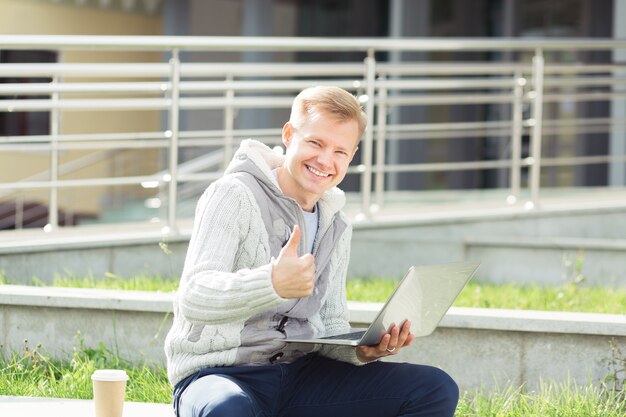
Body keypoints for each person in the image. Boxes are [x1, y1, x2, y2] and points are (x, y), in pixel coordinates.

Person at [164, 86, 459, 417]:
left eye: (339, 151)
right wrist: (271, 283)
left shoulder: (336, 223)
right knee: (228, 410)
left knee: (434, 388)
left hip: (302, 377)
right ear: (289, 135)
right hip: (222, 374)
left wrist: (364, 351)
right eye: (315, 143)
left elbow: (330, 321)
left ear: (352, 155)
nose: (325, 160)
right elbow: (194, 294)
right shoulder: (232, 194)